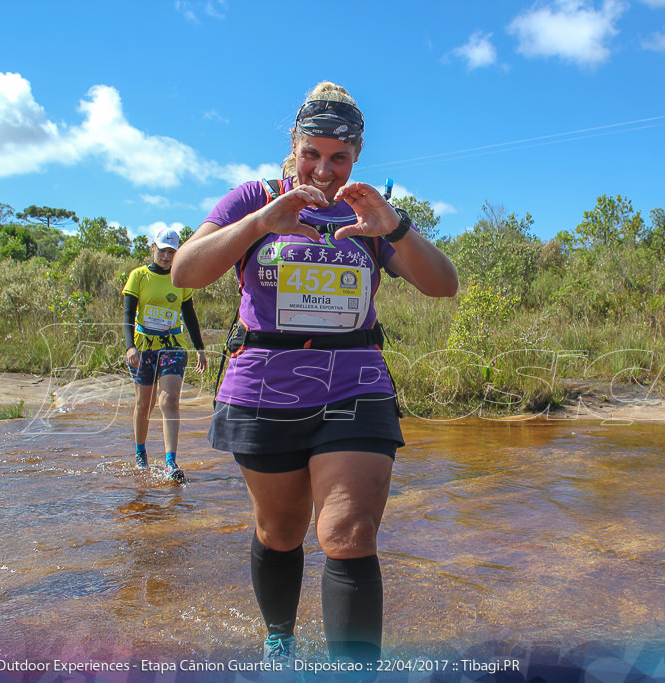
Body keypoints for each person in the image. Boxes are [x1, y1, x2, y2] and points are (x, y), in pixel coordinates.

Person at [172, 82, 457, 665]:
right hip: (263, 388)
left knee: (349, 535)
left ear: (356, 158)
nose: (324, 170)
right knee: (280, 532)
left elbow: (443, 285)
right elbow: (184, 273)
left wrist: (395, 228)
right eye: (312, 153)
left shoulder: (367, 210)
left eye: (339, 158)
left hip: (357, 385)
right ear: (294, 145)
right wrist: (258, 225)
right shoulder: (253, 196)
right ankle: (280, 644)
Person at [123, 226, 207, 482]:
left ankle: (171, 461)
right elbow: (128, 314)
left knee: (169, 400)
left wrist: (199, 348)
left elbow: (189, 315)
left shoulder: (180, 278)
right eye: (162, 251)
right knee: (144, 404)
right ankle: (141, 453)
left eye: (172, 252)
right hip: (143, 348)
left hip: (172, 347)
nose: (167, 256)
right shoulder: (138, 276)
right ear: (153, 249)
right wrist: (130, 347)